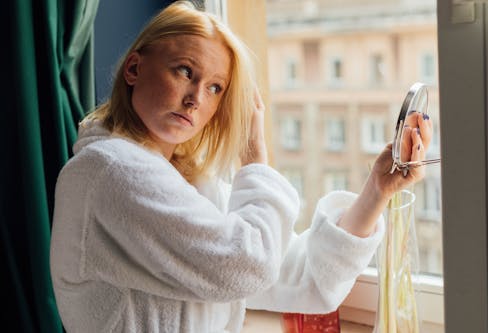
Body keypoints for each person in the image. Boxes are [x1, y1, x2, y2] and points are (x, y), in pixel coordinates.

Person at [49, 1, 433, 332]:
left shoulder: (187, 181)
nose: (195, 98)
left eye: (216, 87)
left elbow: (301, 276)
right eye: (184, 71)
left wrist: (377, 189)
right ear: (133, 69)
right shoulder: (110, 173)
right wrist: (254, 155)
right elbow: (249, 265)